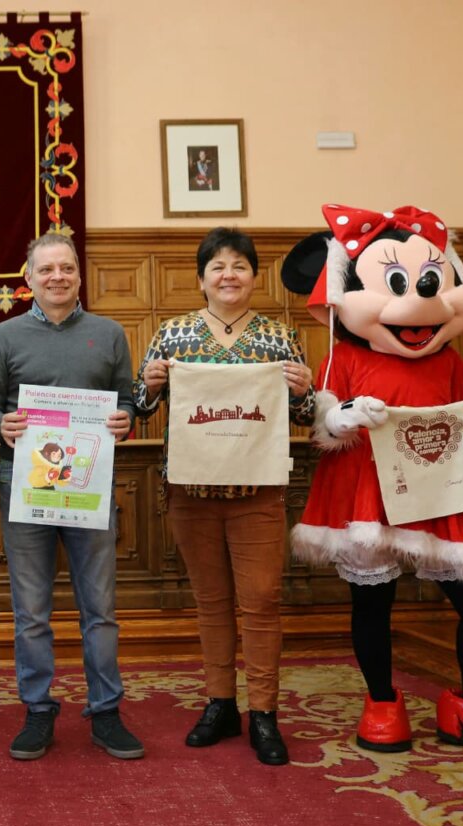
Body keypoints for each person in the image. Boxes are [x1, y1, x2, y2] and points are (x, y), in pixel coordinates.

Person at [284, 204, 463, 760]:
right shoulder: (343, 355)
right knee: (373, 600)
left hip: (441, 487)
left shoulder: (449, 359)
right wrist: (343, 417)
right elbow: (324, 421)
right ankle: (382, 702)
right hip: (366, 489)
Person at [132, 227, 314, 766]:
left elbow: (303, 418)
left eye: (239, 265)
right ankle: (220, 703)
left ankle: (264, 712)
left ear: (254, 277)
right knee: (211, 604)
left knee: (261, 603)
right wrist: (152, 383)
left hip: (258, 491)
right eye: (218, 267)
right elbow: (140, 406)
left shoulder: (279, 338)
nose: (228, 275)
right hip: (191, 491)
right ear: (201, 279)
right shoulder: (173, 334)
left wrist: (305, 394)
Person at [0, 232, 143, 761]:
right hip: (22, 487)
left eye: (66, 269)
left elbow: (127, 402)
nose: (57, 277)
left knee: (100, 607)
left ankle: (106, 711)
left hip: (88, 488)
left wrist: (127, 420)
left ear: (79, 275)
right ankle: (37, 710)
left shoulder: (110, 333)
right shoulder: (4, 336)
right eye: (46, 269)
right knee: (31, 610)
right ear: (29, 278)